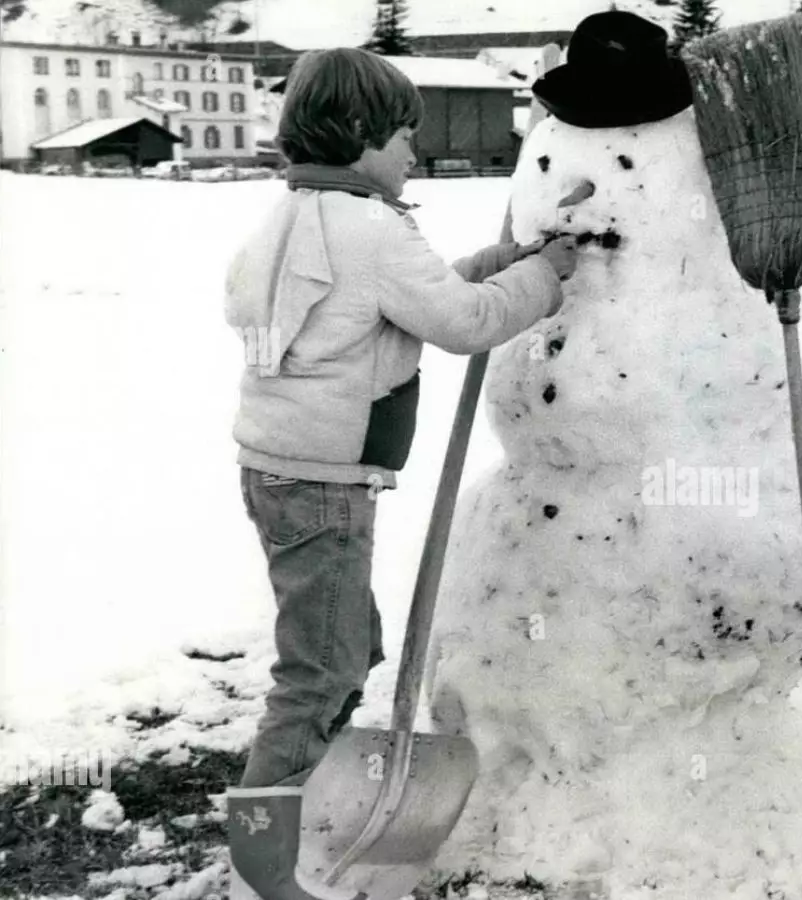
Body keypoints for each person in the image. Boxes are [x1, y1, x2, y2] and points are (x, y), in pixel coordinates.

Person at [222, 47, 577, 900]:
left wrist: (498, 263)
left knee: (349, 646)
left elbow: (397, 304)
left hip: (278, 475)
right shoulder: (375, 229)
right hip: (324, 485)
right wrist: (545, 277)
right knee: (318, 675)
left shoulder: (292, 217)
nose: (414, 151)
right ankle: (266, 861)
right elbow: (462, 324)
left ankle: (306, 793)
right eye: (403, 135)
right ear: (358, 136)